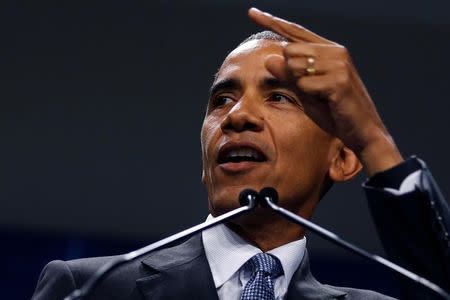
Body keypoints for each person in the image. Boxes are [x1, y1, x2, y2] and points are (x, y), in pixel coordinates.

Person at [32, 8, 450, 300]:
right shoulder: (90, 289)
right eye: (222, 100)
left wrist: (375, 141)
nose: (238, 116)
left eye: (280, 97)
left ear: (342, 159)